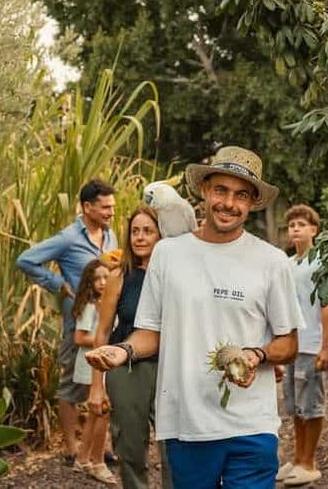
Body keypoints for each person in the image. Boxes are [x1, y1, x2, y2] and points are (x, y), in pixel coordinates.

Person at [86, 146, 305, 488]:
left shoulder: (271, 261)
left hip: (251, 424)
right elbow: (151, 332)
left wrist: (256, 355)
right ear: (204, 191)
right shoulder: (168, 254)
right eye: (221, 190)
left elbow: (288, 342)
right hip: (186, 423)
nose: (229, 203)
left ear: (252, 203)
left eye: (241, 195)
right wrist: (123, 351)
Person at [15, 179, 118, 463]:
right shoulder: (68, 238)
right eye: (105, 207)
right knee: (72, 386)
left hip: (106, 323)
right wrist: (58, 284)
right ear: (88, 207)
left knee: (104, 383)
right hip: (79, 325)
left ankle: (98, 446)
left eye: (113, 207)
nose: (111, 212)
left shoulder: (111, 237)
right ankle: (72, 449)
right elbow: (25, 260)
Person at [88, 206, 172, 489]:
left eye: (148, 231)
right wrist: (97, 387)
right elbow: (102, 332)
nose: (140, 237)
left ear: (161, 234)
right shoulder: (119, 276)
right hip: (126, 369)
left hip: (168, 367)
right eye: (135, 231)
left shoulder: (174, 275)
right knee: (130, 446)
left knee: (174, 445)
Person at [275, 204, 328, 486]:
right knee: (295, 407)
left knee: (312, 406)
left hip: (312, 346)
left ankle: (309, 462)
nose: (295, 229)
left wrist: (326, 347)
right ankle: (297, 459)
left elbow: (327, 305)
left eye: (301, 224)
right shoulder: (288, 264)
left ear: (314, 230)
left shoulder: (320, 262)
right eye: (291, 225)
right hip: (292, 346)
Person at [70, 258, 117, 484]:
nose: (101, 282)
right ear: (89, 282)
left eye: (105, 278)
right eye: (96, 278)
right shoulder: (90, 306)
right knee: (102, 410)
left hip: (103, 361)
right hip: (92, 363)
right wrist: (106, 342)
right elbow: (79, 337)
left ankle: (82, 458)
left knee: (94, 414)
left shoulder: (106, 303)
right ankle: (94, 460)